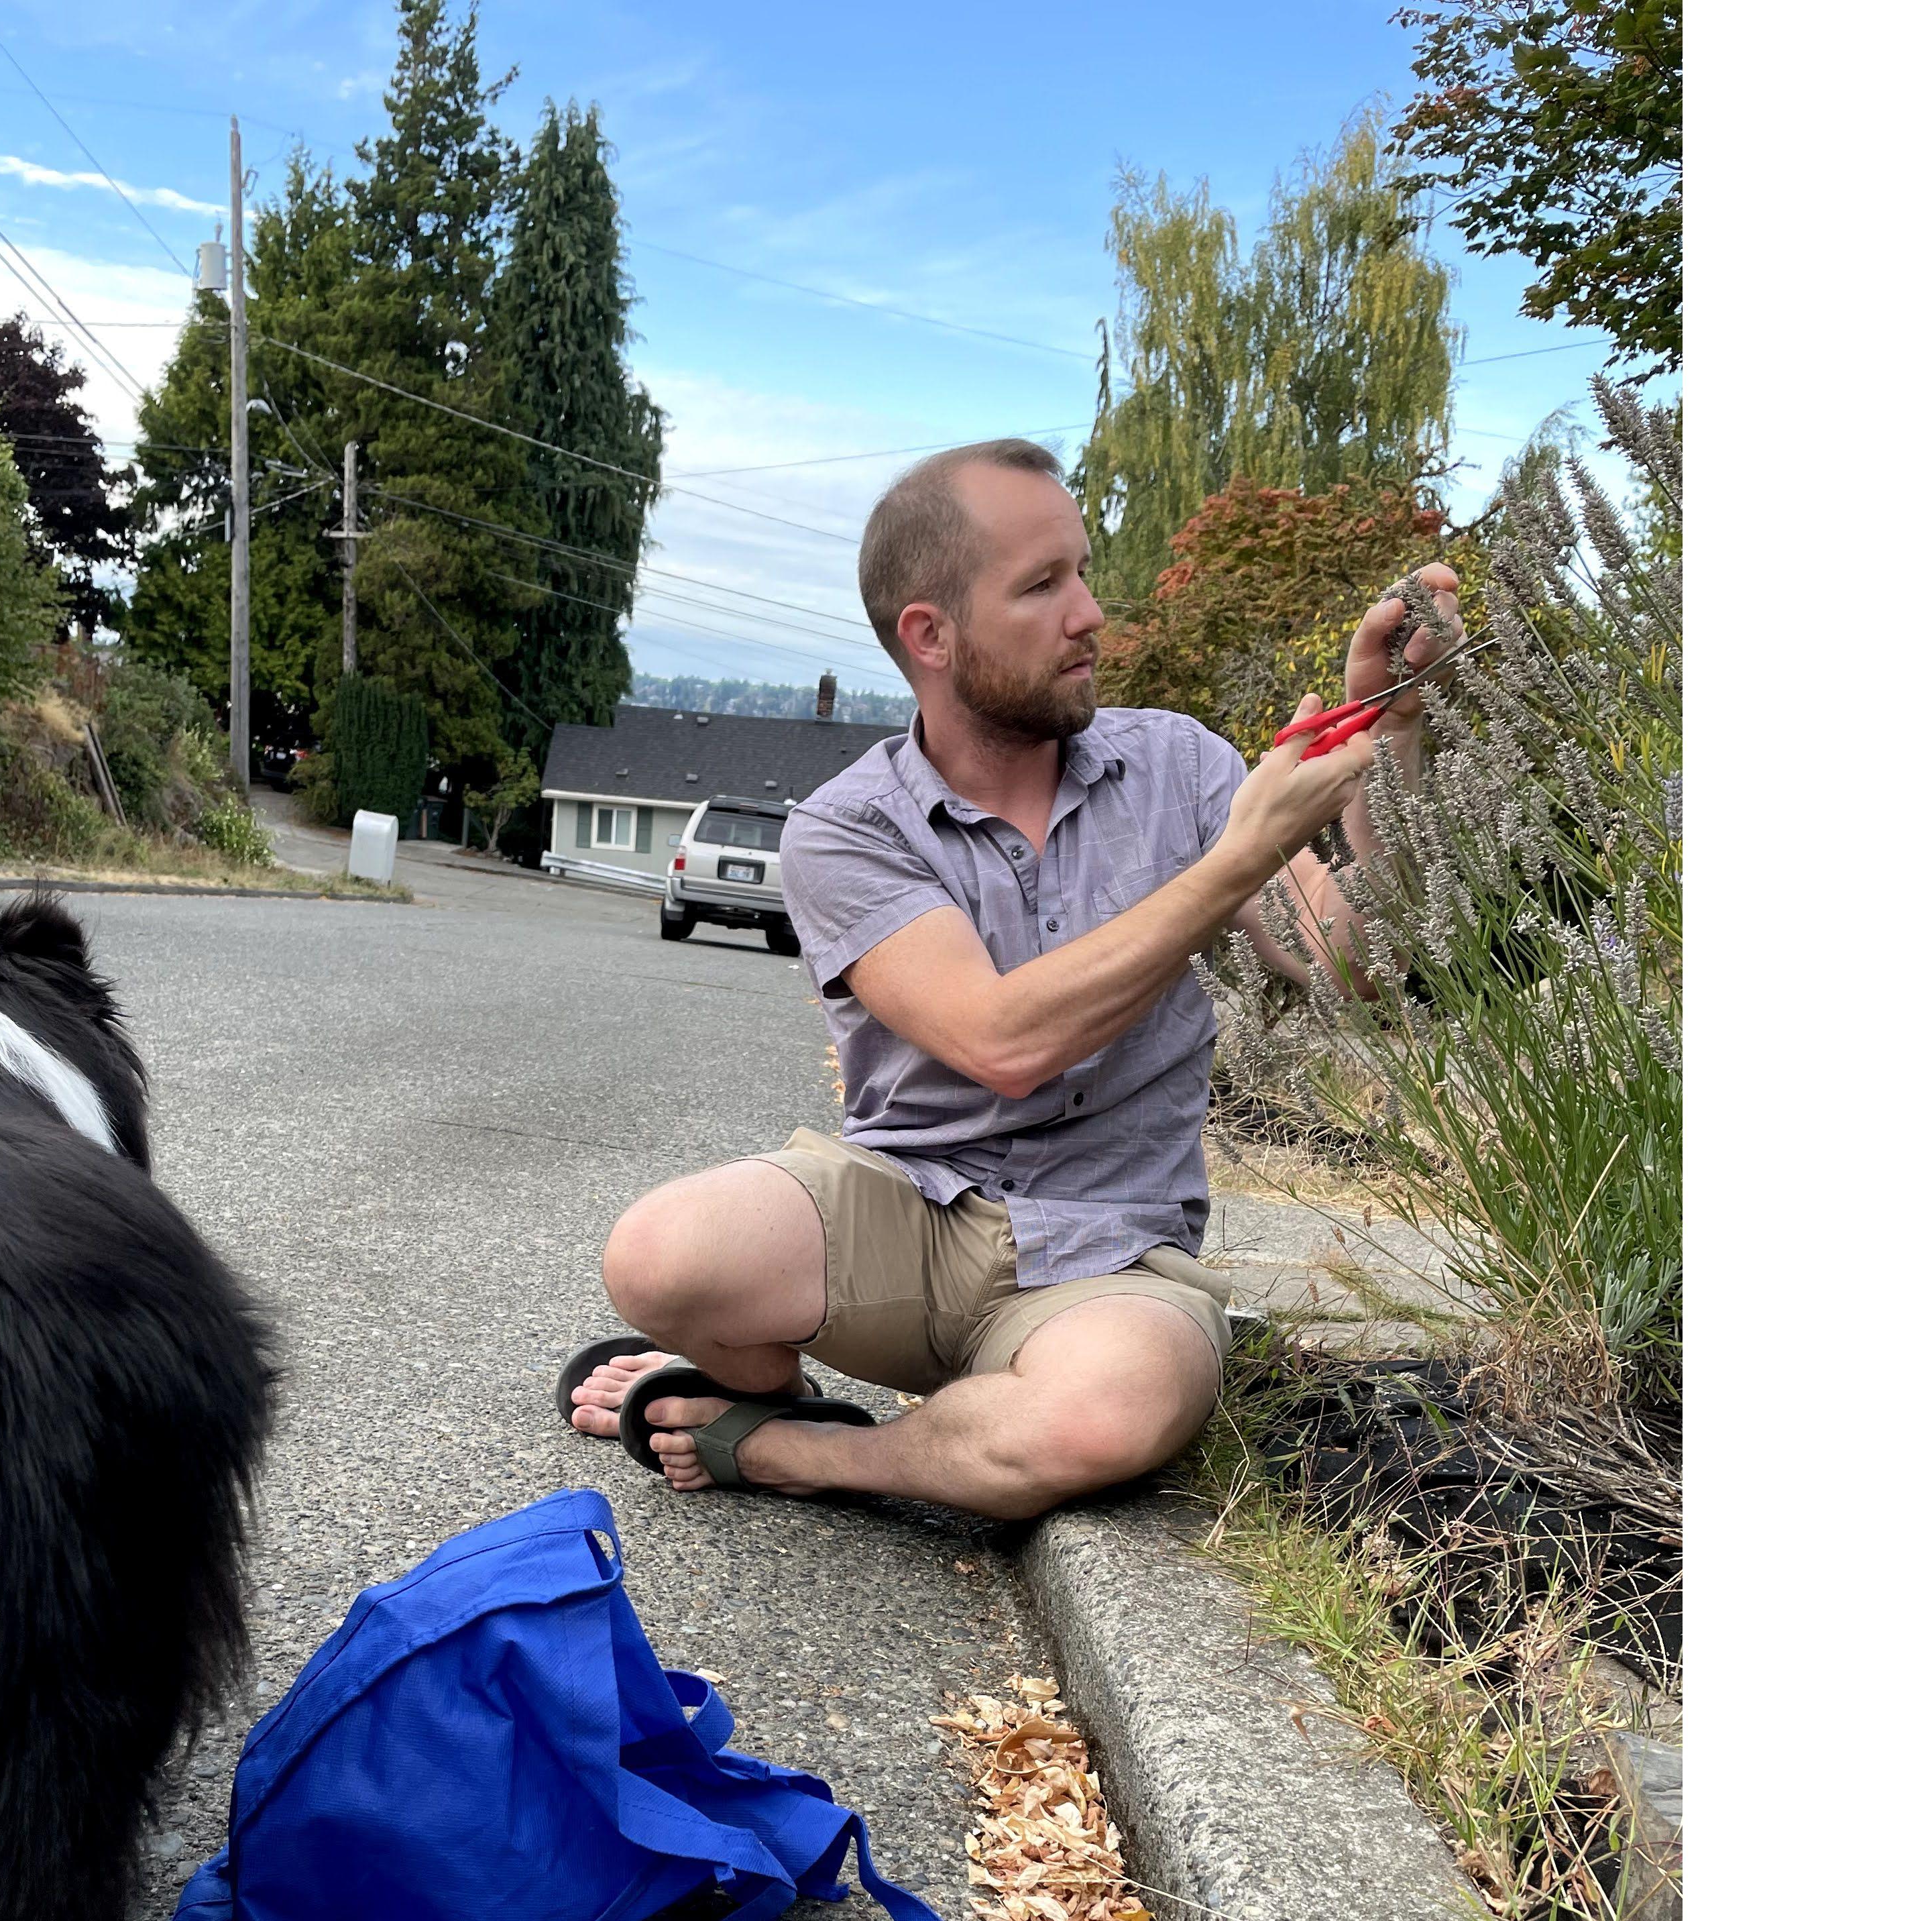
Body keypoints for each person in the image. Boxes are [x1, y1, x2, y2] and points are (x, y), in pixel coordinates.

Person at [564, 437, 1461, 1516]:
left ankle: (795, 1447)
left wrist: (1389, 738)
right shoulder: (848, 829)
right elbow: (1003, 1044)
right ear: (930, 634)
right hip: (912, 1215)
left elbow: (1349, 968)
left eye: (1082, 572)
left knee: (1103, 1417)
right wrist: (1234, 864)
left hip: (1113, 1259)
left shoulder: (1181, 768)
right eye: (1043, 585)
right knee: (658, 1256)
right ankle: (778, 1386)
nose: (1090, 613)